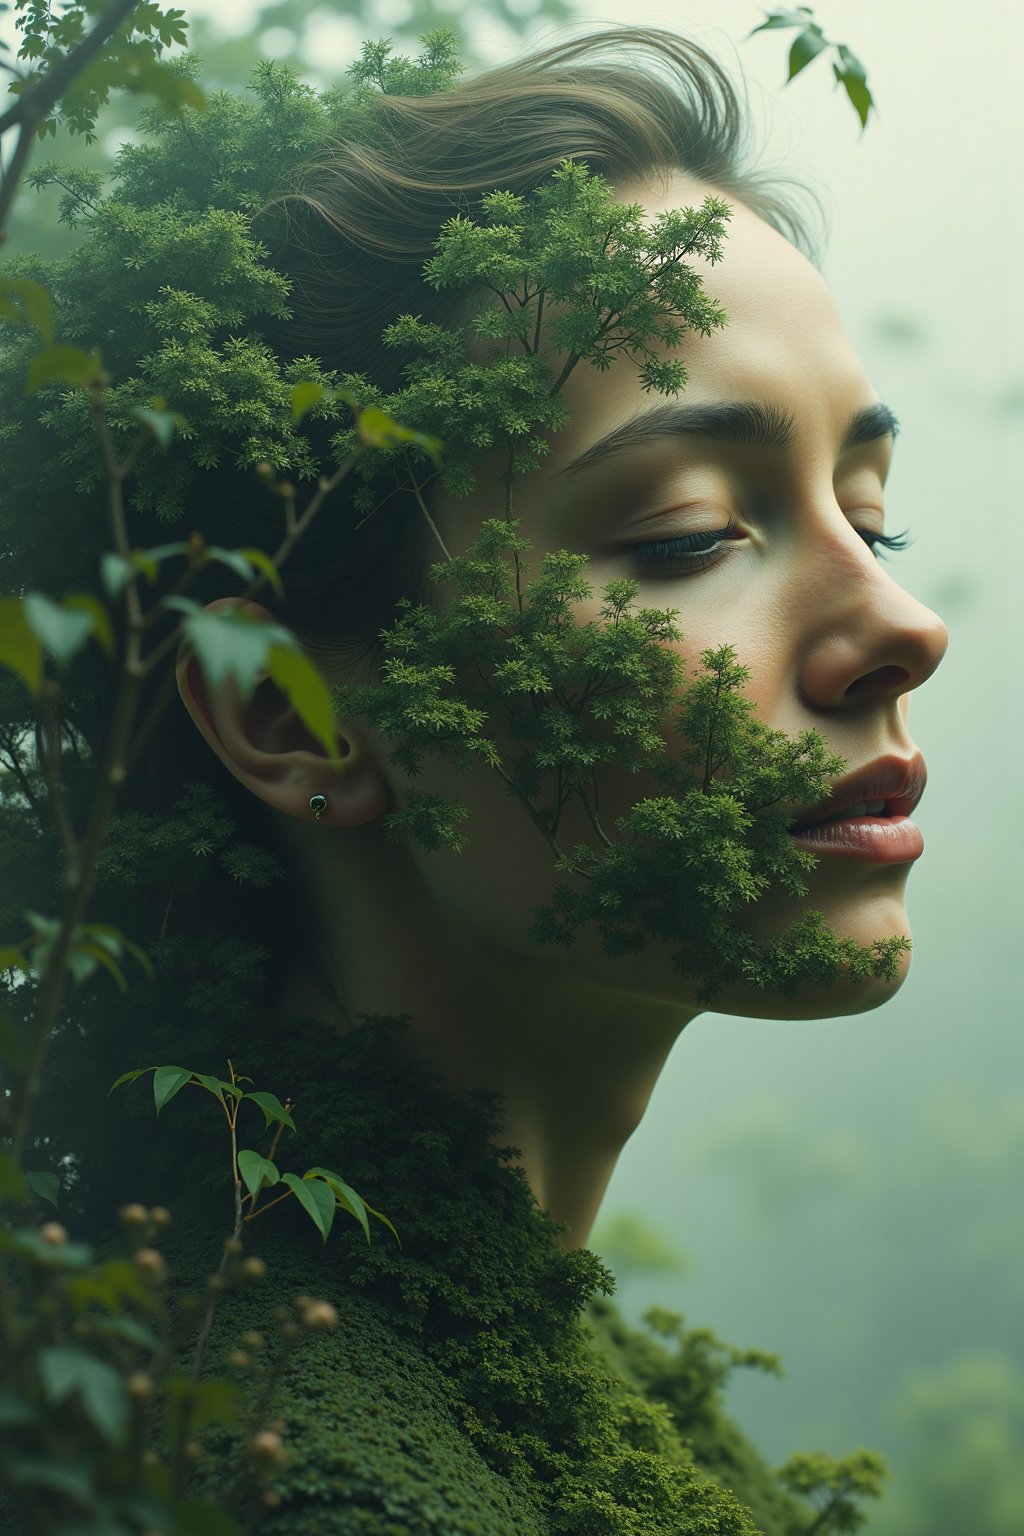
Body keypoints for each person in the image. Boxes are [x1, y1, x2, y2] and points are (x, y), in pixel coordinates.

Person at [0, 24, 946, 1534]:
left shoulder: (548, 1384)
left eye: (869, 514)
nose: (903, 627)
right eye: (691, 534)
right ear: (286, 718)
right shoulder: (291, 1482)